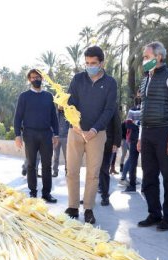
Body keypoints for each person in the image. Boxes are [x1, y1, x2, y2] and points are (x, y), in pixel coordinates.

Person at [65, 46, 117, 224]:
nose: (89, 66)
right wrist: (75, 125)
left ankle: (88, 209)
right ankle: (72, 207)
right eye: (87, 63)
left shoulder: (110, 83)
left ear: (102, 63)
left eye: (93, 63)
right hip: (76, 132)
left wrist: (94, 129)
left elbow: (109, 109)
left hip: (97, 134)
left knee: (93, 174)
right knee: (71, 171)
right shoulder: (78, 79)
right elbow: (70, 103)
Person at [137, 41, 168, 231]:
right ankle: (154, 213)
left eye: (147, 56)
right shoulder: (145, 79)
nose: (144, 60)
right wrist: (141, 136)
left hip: (165, 132)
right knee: (148, 176)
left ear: (159, 57)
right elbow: (143, 109)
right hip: (147, 132)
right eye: (144, 57)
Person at [14, 69, 59, 203]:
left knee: (47, 165)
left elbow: (54, 117)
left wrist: (56, 134)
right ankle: (33, 193)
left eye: (38, 77)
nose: (35, 79)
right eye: (33, 78)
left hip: (46, 134)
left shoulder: (49, 96)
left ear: (42, 78)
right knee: (31, 165)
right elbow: (18, 117)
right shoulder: (24, 96)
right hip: (30, 134)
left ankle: (46, 193)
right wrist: (17, 135)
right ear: (29, 80)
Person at [98, 111, 122, 206]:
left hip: (108, 143)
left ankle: (105, 196)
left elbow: (117, 125)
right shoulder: (94, 102)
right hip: (93, 141)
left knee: (104, 170)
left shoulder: (111, 104)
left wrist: (116, 143)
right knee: (92, 170)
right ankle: (88, 197)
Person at [122, 98, 141, 193]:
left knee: (148, 164)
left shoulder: (150, 109)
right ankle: (132, 185)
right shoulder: (132, 110)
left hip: (146, 140)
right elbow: (128, 124)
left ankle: (147, 187)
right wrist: (139, 127)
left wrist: (136, 123)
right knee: (133, 162)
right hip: (134, 140)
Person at [52, 105, 69, 177]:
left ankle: (67, 171)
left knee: (67, 156)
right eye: (59, 104)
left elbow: (70, 124)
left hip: (65, 137)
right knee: (56, 155)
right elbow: (52, 124)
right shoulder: (55, 112)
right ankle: (55, 171)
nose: (60, 105)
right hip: (57, 137)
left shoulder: (68, 113)